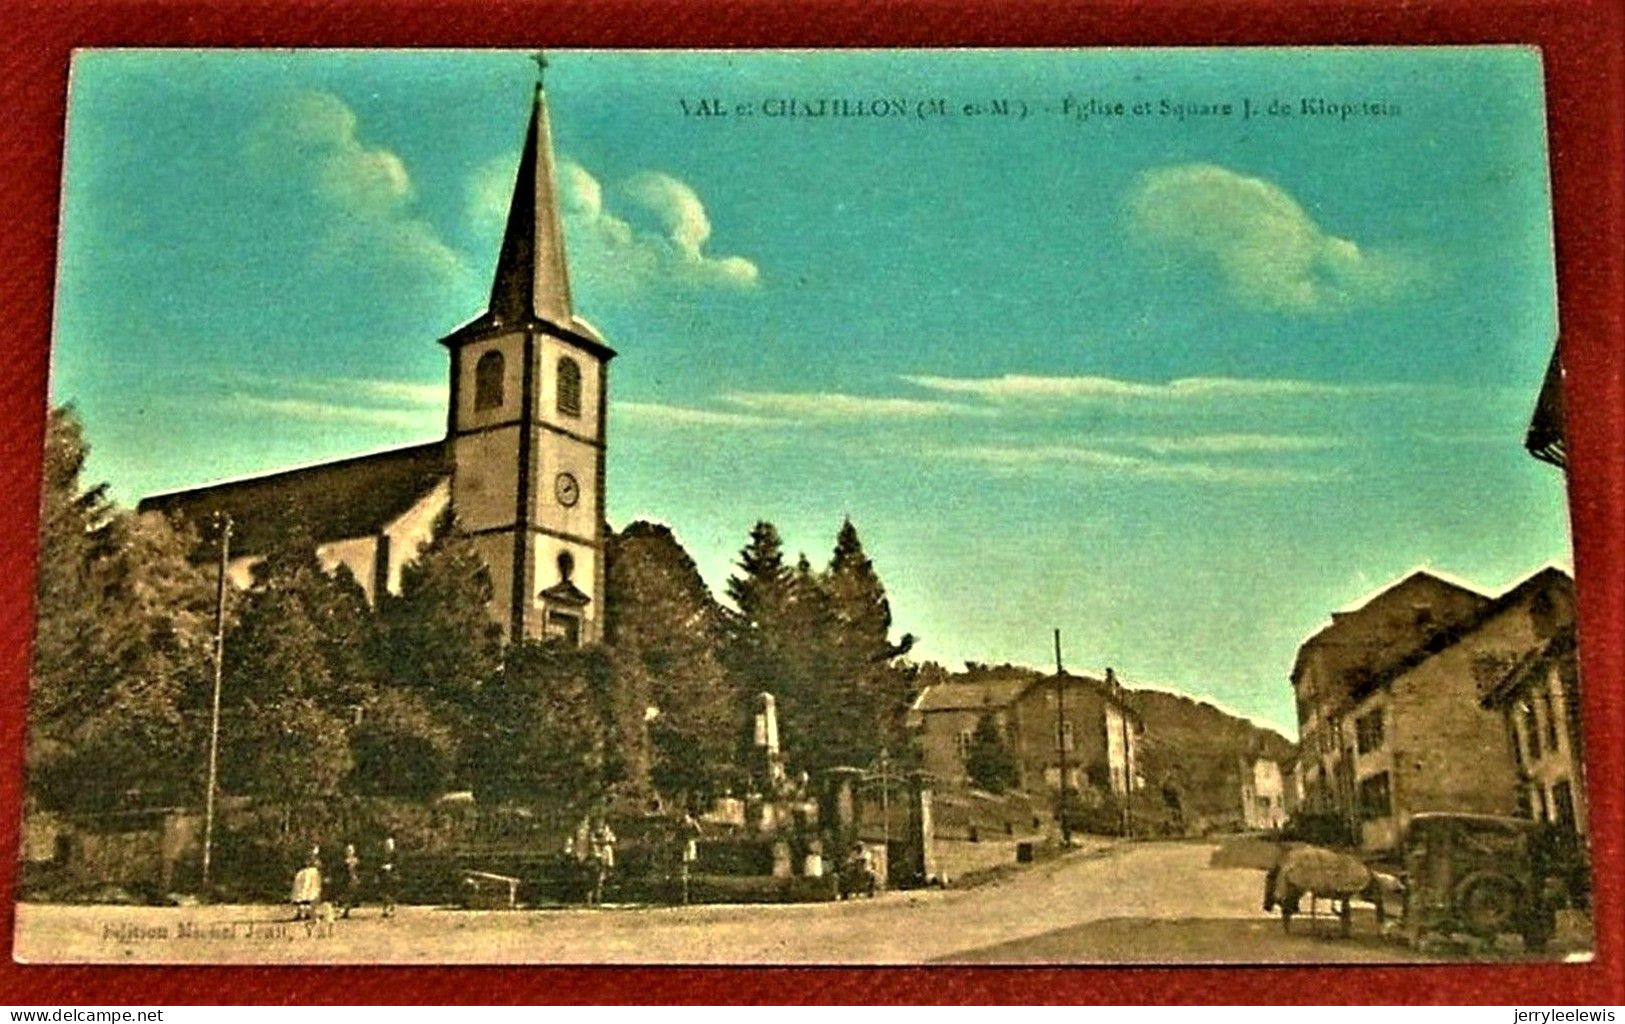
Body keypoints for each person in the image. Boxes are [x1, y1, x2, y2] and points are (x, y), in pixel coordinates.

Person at [290, 854, 322, 921]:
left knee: (307, 901)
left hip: (310, 891)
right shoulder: (303, 872)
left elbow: (310, 883)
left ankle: (307, 914)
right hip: (306, 891)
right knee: (304, 901)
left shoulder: (312, 872)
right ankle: (303, 914)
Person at [378, 835, 397, 919]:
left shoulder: (396, 855)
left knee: (391, 893)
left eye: (389, 845)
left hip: (393, 876)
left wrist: (390, 866)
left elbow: (398, 864)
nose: (388, 847)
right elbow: (378, 866)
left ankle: (392, 909)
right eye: (386, 845)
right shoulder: (382, 856)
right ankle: (385, 910)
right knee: (383, 893)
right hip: (383, 876)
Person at [340, 843, 361, 919]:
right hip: (346, 880)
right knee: (346, 895)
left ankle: (346, 910)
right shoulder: (344, 861)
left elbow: (359, 870)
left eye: (350, 850)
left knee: (351, 896)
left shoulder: (356, 861)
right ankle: (345, 911)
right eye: (348, 850)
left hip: (354, 879)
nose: (349, 852)